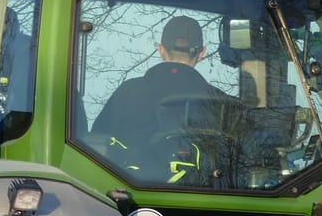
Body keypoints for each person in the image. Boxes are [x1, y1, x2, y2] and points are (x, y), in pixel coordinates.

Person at [93, 15, 224, 179]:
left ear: (161, 49)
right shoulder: (221, 103)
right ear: (202, 53)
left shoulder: (126, 92)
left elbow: (95, 143)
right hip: (207, 196)